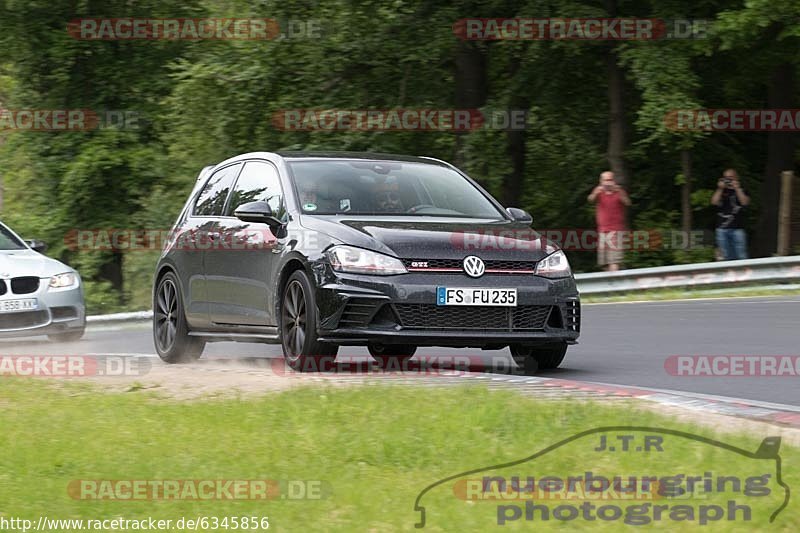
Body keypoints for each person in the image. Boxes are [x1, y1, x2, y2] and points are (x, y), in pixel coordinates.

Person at [587, 171, 631, 271]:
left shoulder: (618, 191)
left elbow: (627, 203)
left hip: (616, 230)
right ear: (601, 181)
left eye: (610, 180)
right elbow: (590, 199)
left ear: (614, 181)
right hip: (602, 230)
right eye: (606, 180)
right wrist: (595, 192)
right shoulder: (599, 192)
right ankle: (615, 281)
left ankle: (615, 284)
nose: (608, 182)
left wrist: (620, 191)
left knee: (614, 261)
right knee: (604, 262)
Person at [711, 168, 750, 260]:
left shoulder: (742, 189)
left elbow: (745, 202)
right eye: (726, 178)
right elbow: (714, 202)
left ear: (736, 178)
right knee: (726, 257)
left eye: (731, 178)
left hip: (738, 228)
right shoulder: (722, 191)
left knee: (741, 256)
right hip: (722, 229)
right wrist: (720, 188)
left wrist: (737, 189)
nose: (728, 180)